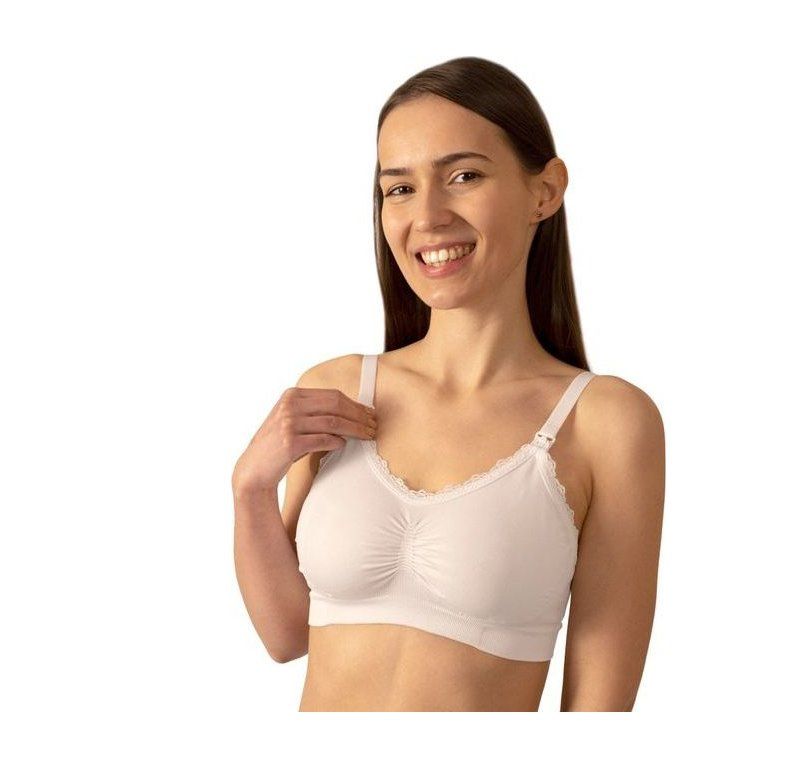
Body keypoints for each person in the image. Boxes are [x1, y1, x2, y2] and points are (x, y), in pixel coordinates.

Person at [231, 57, 665, 712]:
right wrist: (250, 489)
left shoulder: (604, 421)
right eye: (400, 188)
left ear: (545, 191)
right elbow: (290, 634)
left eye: (464, 176)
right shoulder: (339, 390)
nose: (428, 216)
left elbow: (598, 710)